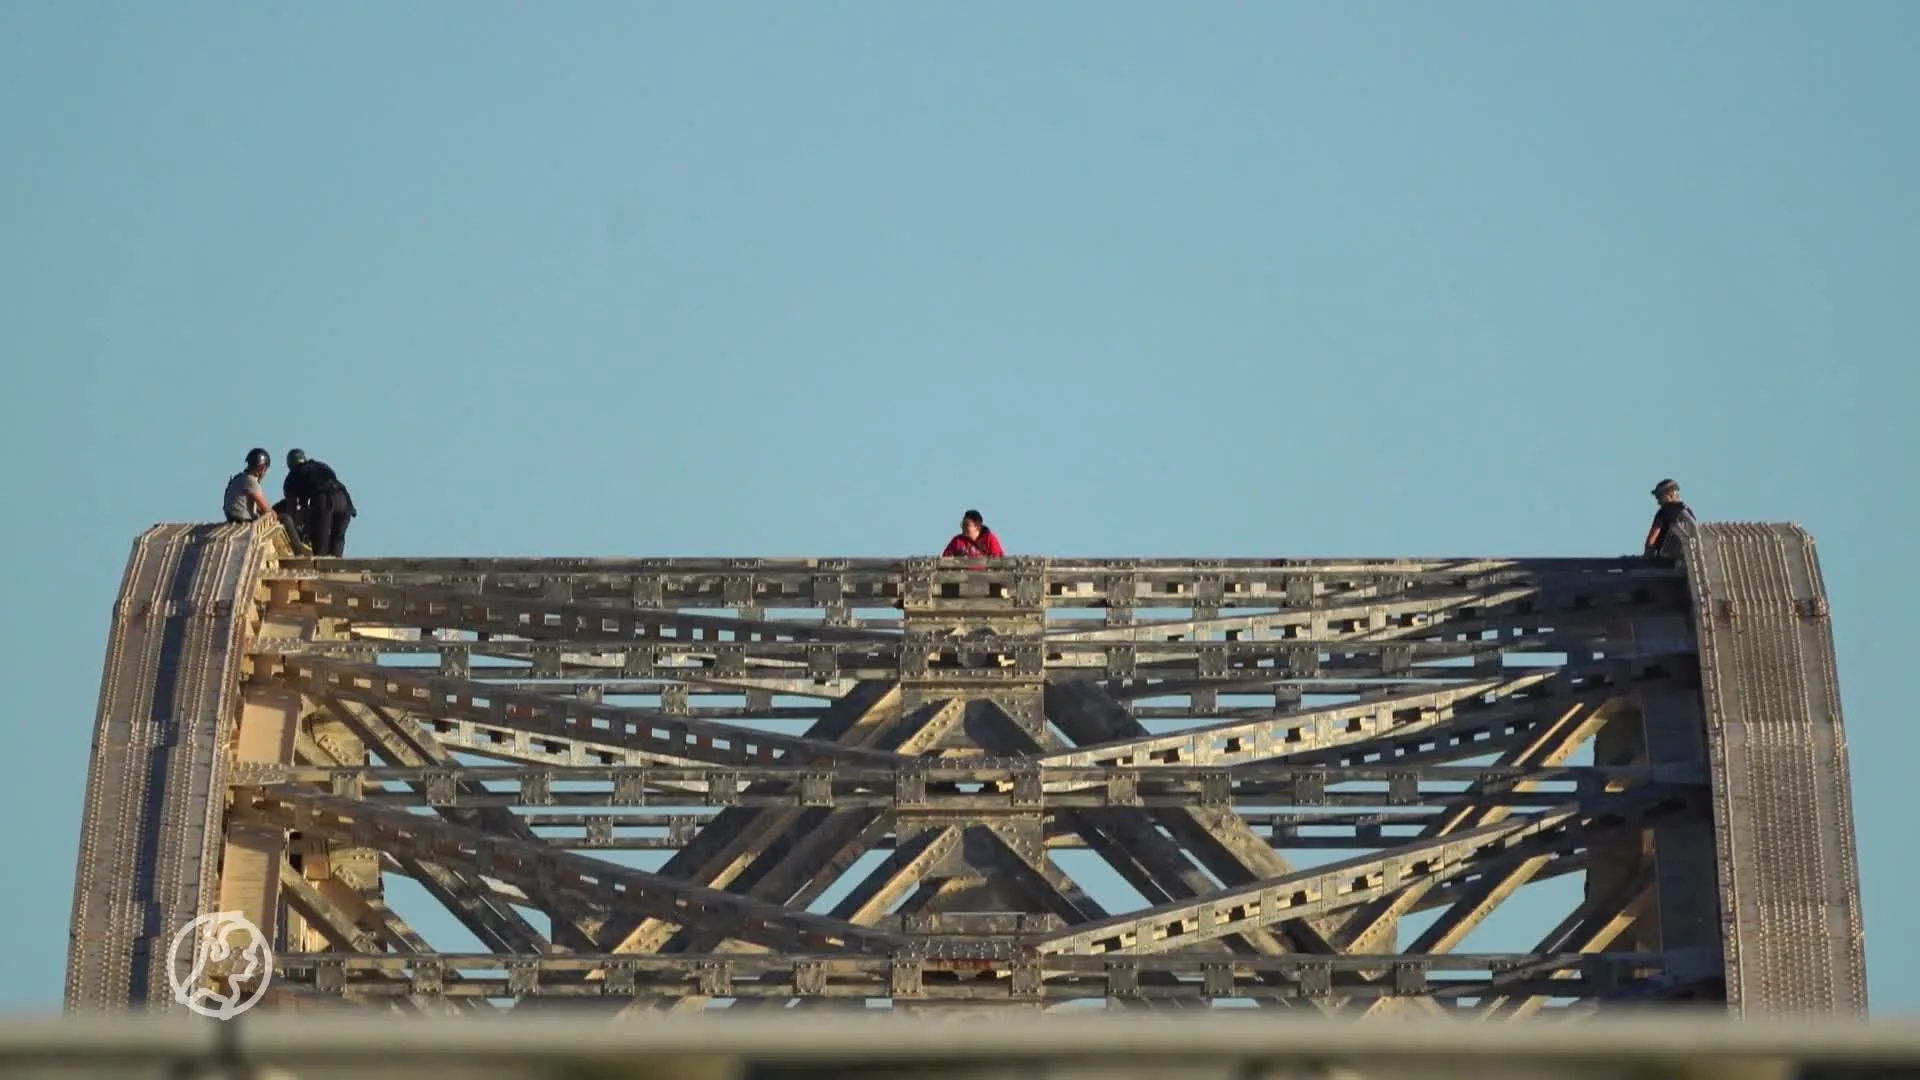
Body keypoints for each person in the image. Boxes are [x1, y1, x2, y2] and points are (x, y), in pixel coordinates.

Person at [283, 448, 358, 557]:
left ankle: (322, 568)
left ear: (290, 465)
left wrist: (293, 528)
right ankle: (336, 568)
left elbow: (292, 505)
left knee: (320, 545)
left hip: (325, 500)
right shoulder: (321, 466)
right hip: (344, 501)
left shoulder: (293, 475)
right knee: (337, 540)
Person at [1643, 478, 1697, 559]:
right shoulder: (1688, 512)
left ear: (1669, 494)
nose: (1658, 502)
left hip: (1666, 559)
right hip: (1688, 556)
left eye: (1659, 497)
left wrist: (1647, 557)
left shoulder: (1663, 512)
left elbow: (1652, 539)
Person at [223, 448, 275, 524]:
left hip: (232, 518)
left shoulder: (239, 478)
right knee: (286, 518)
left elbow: (256, 507)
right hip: (243, 520)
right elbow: (267, 510)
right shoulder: (251, 481)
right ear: (263, 468)